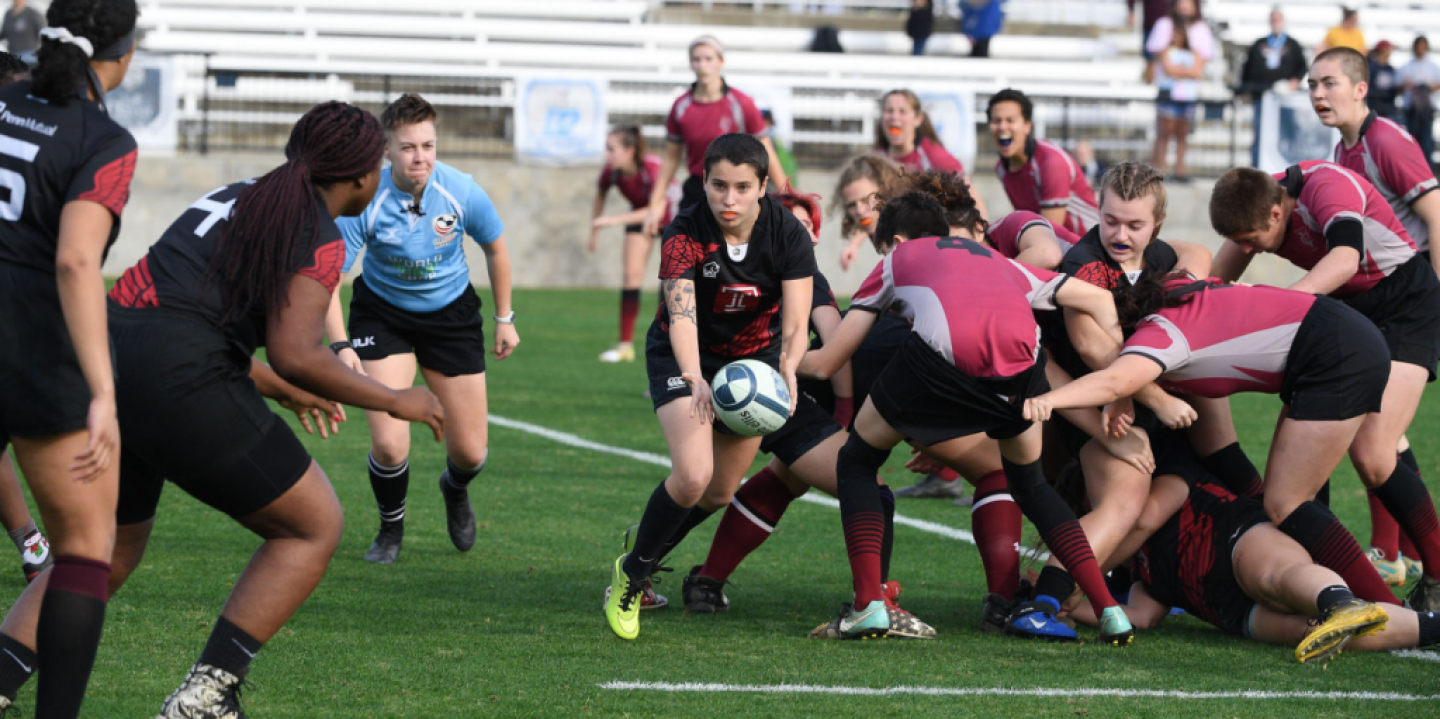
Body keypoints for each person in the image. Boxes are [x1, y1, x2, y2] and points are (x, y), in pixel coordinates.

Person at [99, 102, 445, 717]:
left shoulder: (238, 193)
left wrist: (272, 384)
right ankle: (206, 695)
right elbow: (295, 354)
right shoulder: (316, 230)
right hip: (180, 380)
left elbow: (175, 311)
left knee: (104, 553)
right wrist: (398, 399)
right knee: (313, 525)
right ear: (363, 176)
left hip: (113, 358)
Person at [797, 191, 1136, 644]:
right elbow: (1097, 299)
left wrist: (777, 361)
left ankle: (867, 606)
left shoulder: (899, 260)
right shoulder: (994, 258)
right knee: (1030, 485)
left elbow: (828, 361)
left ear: (896, 240)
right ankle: (1110, 610)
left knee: (857, 460)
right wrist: (1119, 384)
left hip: (942, 363)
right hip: (1023, 370)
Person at [1025, 274, 1404, 609]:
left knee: (1287, 503)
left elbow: (1113, 379)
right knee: (1293, 492)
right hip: (1335, 334)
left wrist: (1044, 401)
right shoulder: (1177, 289)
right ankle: (1336, 588)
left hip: (1333, 350)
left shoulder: (1159, 335)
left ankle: (1387, 607)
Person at [682, 187, 935, 639]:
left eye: (803, 226)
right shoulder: (749, 267)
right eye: (784, 222)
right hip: (774, 391)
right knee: (870, 492)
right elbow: (832, 353)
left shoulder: (809, 276)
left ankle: (700, 578)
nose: (792, 232)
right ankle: (875, 600)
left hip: (785, 390)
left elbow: (836, 346)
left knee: (765, 482)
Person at [604, 133, 815, 641]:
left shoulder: (788, 232)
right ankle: (631, 577)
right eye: (718, 185)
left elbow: (797, 319)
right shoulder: (684, 232)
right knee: (694, 475)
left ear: (764, 186)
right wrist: (695, 375)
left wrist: (789, 365)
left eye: (743, 187)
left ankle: (642, 550)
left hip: (753, 364)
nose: (729, 198)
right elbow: (681, 316)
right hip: (685, 355)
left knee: (720, 492)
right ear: (704, 181)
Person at [1209, 163, 1440, 612]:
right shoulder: (1257, 199)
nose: (1245, 248)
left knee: (1373, 455)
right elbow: (1219, 278)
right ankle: (1322, 574)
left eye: (1251, 241)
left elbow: (1344, 259)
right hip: (1347, 311)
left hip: (1405, 305)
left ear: (1277, 214)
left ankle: (1436, 574)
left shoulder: (1325, 186)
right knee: (1306, 449)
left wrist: (1280, 308)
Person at [0, 1, 137, 715]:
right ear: (123, 53)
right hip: (29, 343)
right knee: (86, 548)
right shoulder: (104, 138)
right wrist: (103, 389)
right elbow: (78, 262)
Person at [323, 93, 515, 565]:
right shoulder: (365, 198)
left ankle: (455, 488)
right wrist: (340, 344)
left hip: (450, 317)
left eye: (428, 145)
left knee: (470, 452)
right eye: (408, 147)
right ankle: (391, 529)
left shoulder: (461, 190)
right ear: (387, 150)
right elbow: (330, 278)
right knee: (389, 443)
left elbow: (496, 247)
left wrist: (505, 318)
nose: (420, 157)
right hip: (382, 314)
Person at [1068, 475, 1440, 664]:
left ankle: (1341, 604)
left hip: (1236, 539)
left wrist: (1075, 573)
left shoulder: (1163, 484)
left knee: (1273, 578)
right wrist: (1066, 607)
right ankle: (1433, 627)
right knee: (1315, 633)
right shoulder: (1140, 569)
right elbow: (1143, 616)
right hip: (1232, 612)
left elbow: (1142, 521)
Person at [1311, 47, 1440, 586]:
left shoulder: (1385, 140)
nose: (1318, 93)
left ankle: (1401, 554)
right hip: (1375, 306)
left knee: (1374, 440)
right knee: (1382, 435)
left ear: (1361, 88)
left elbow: (1435, 214)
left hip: (1411, 302)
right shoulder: (1342, 150)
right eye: (1312, 84)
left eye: (1329, 83)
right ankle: (1401, 553)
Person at [642, 36, 787, 237]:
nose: (702, 65)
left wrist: (787, 198)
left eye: (708, 58)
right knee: (687, 256)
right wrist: (655, 204)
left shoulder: (741, 103)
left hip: (736, 190)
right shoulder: (681, 107)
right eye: (696, 59)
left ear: (721, 61)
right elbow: (671, 159)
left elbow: (767, 151)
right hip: (698, 188)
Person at [589, 125, 677, 364]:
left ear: (629, 150)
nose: (607, 155)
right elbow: (600, 193)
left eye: (612, 149)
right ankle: (625, 346)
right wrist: (594, 231)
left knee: (672, 285)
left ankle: (676, 346)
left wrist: (611, 220)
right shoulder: (612, 173)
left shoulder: (652, 169)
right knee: (631, 278)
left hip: (673, 219)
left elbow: (656, 211)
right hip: (640, 217)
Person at [988, 88, 1100, 235]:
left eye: (1010, 120)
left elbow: (1048, 234)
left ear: (1027, 126)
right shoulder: (1002, 168)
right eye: (996, 121)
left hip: (1087, 248)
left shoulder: (1051, 162)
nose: (1002, 127)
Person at [874, 89, 987, 220]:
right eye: (889, 111)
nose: (894, 117)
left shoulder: (934, 156)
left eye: (902, 111)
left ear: (918, 119)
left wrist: (982, 237)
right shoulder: (876, 159)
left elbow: (973, 198)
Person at [1239, 7, 1307, 167]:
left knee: (1287, 133)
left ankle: (1289, 169)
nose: (1275, 22)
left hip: (1285, 100)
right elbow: (1247, 69)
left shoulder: (1292, 45)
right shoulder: (1259, 44)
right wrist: (1245, 90)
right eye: (1273, 19)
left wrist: (1295, 80)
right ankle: (1258, 169)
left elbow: (1302, 67)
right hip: (1261, 96)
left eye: (1278, 18)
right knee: (1260, 134)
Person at [1149, 6, 1205, 180]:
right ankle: (1159, 169)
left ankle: (1180, 171)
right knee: (1163, 135)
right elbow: (1170, 69)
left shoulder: (1193, 52)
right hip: (1169, 98)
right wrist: (1185, 71)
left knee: (1182, 137)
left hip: (1185, 99)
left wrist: (1178, 71)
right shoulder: (1166, 51)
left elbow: (1197, 71)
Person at [832, 153, 903, 271]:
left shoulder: (905, 228)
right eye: (851, 205)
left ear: (885, 192)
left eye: (865, 200)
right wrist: (853, 245)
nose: (859, 210)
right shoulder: (877, 221)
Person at [1399, 36, 1440, 165]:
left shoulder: (1432, 67)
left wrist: (1427, 87)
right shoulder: (1407, 66)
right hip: (1412, 109)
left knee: (1426, 143)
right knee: (1412, 142)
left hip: (1427, 110)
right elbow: (1400, 85)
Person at [1368, 41, 1400, 121]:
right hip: (1374, 108)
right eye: (1389, 49)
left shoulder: (1390, 69)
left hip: (1388, 108)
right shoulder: (1371, 67)